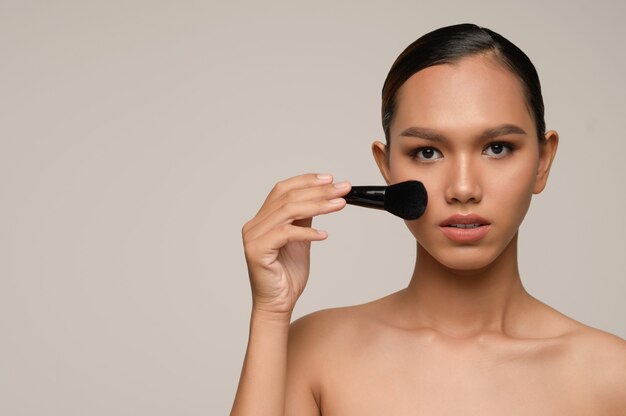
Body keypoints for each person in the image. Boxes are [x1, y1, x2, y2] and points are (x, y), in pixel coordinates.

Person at [230, 23, 626, 415]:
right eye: (427, 153)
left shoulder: (612, 375)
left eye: (497, 147)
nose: (463, 188)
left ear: (543, 162)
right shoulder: (315, 351)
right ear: (386, 167)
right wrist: (270, 313)